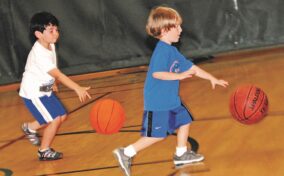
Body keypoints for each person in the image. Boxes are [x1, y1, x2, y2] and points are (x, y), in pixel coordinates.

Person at [113, 6, 229, 176]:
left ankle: (181, 154)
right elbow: (157, 73)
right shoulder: (161, 51)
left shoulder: (172, 50)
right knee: (156, 136)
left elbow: (192, 67)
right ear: (165, 30)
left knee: (184, 120)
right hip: (158, 102)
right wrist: (180, 76)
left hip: (171, 99)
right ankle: (126, 152)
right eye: (177, 26)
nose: (181, 30)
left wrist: (212, 78)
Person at [19, 12, 91, 161]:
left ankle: (30, 128)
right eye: (51, 31)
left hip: (44, 89)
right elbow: (58, 73)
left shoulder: (50, 45)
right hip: (34, 92)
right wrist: (77, 87)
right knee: (54, 119)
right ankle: (44, 151)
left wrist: (53, 84)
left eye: (56, 29)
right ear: (39, 34)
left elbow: (52, 69)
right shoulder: (39, 53)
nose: (55, 33)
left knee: (61, 116)